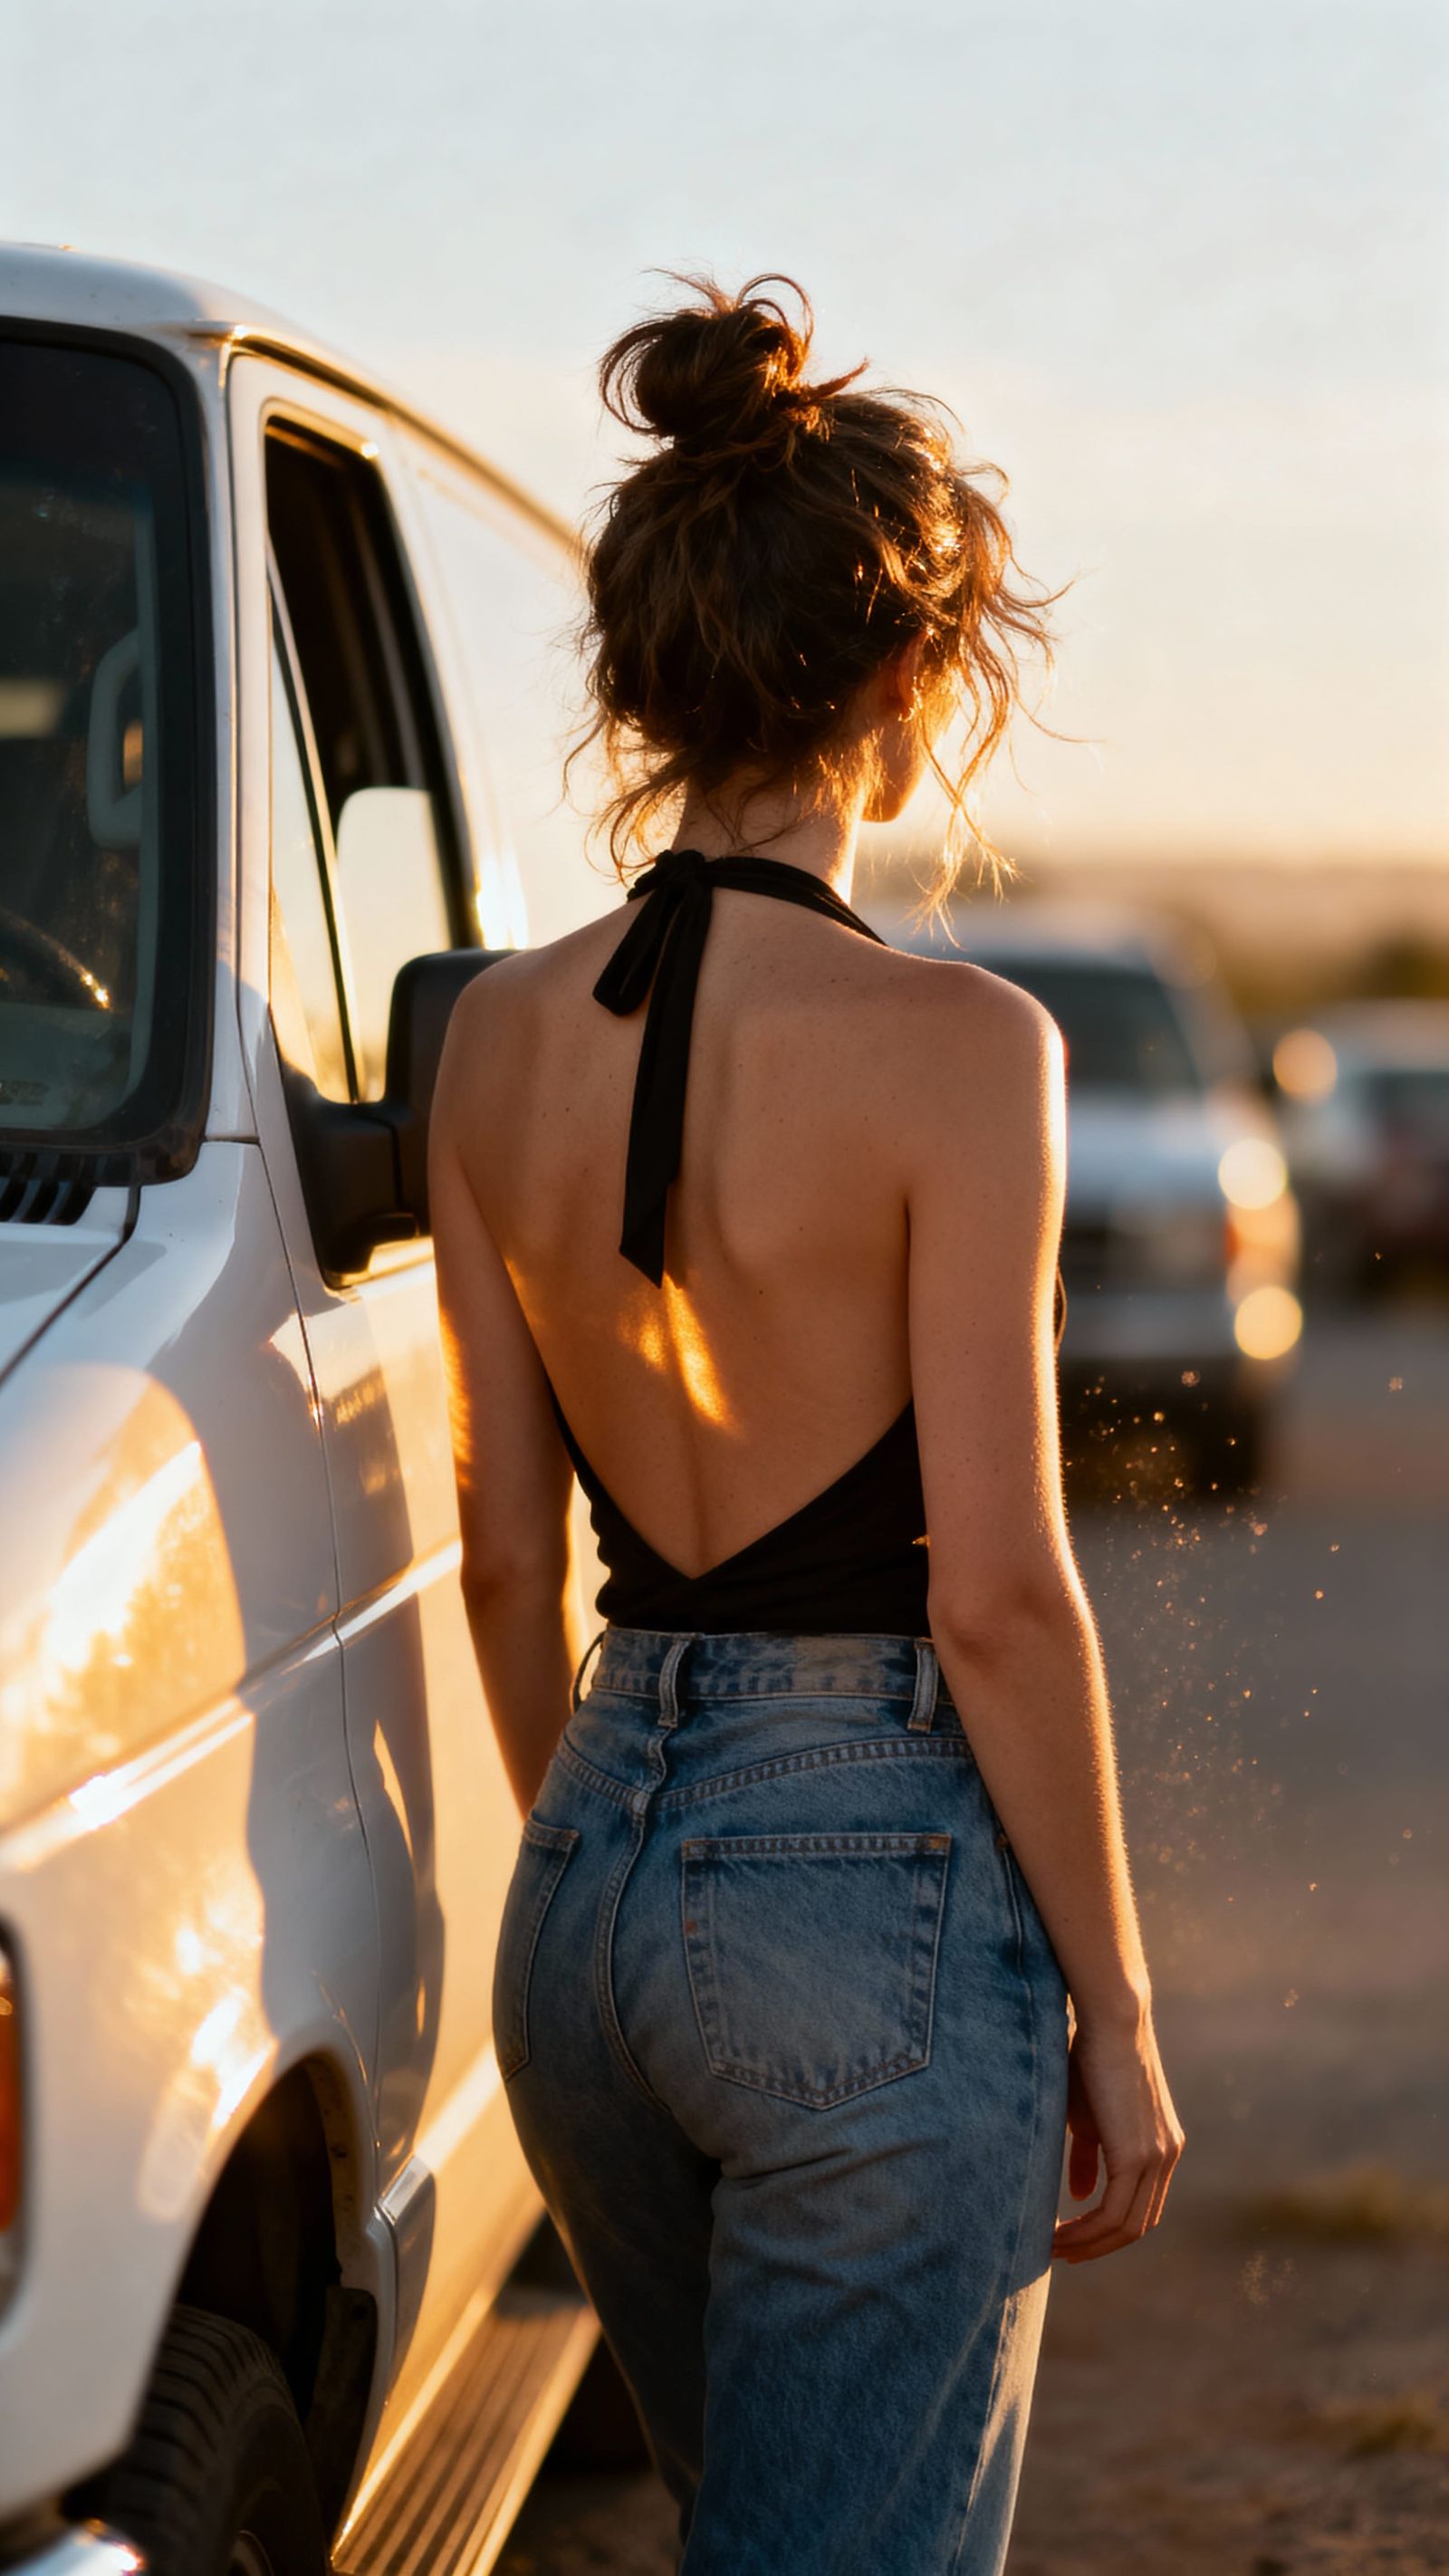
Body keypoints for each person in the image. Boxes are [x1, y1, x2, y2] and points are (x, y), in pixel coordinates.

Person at [429, 274, 1183, 2576]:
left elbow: (494, 1549)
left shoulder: (487, 1043)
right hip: (861, 1911)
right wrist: (1120, 2022)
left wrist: (622, 1861)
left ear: (653, 680)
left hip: (577, 1909)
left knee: (744, 2515)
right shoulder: (966, 1051)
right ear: (902, 680)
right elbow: (998, 1598)